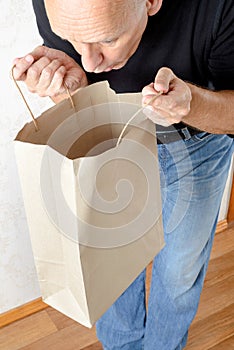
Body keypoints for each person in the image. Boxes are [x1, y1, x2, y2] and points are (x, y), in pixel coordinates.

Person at [13, 0, 233, 349]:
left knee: (179, 273)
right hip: (107, 137)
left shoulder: (218, 9)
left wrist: (191, 103)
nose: (89, 60)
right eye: (71, 39)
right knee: (109, 265)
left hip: (197, 144)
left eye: (107, 39)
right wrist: (68, 86)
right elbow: (80, 77)